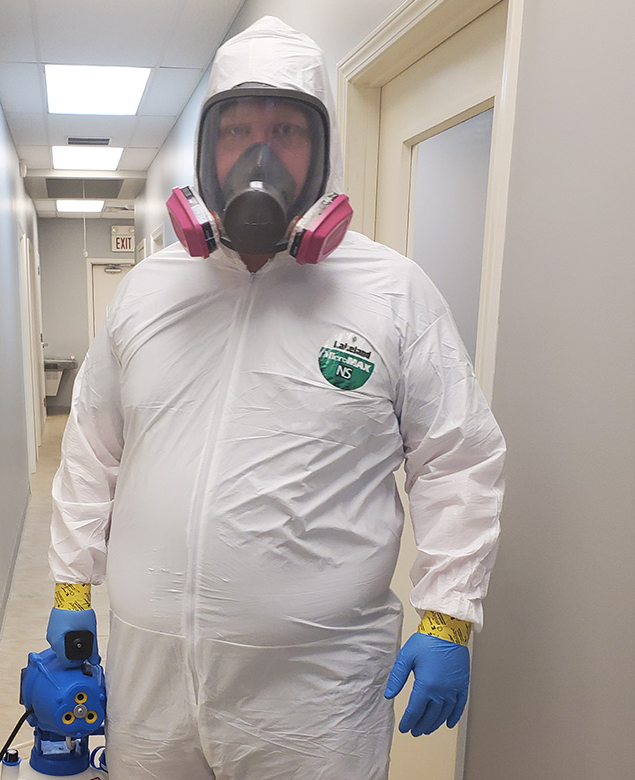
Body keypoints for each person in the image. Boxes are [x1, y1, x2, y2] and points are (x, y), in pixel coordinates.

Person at [46, 16, 505, 780]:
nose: (260, 154)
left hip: (315, 697)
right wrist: (71, 587)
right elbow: (92, 450)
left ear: (323, 150)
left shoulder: (394, 295)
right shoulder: (147, 292)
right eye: (238, 131)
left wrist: (448, 616)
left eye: (286, 131)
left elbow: (459, 460)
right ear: (208, 148)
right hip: (150, 678)